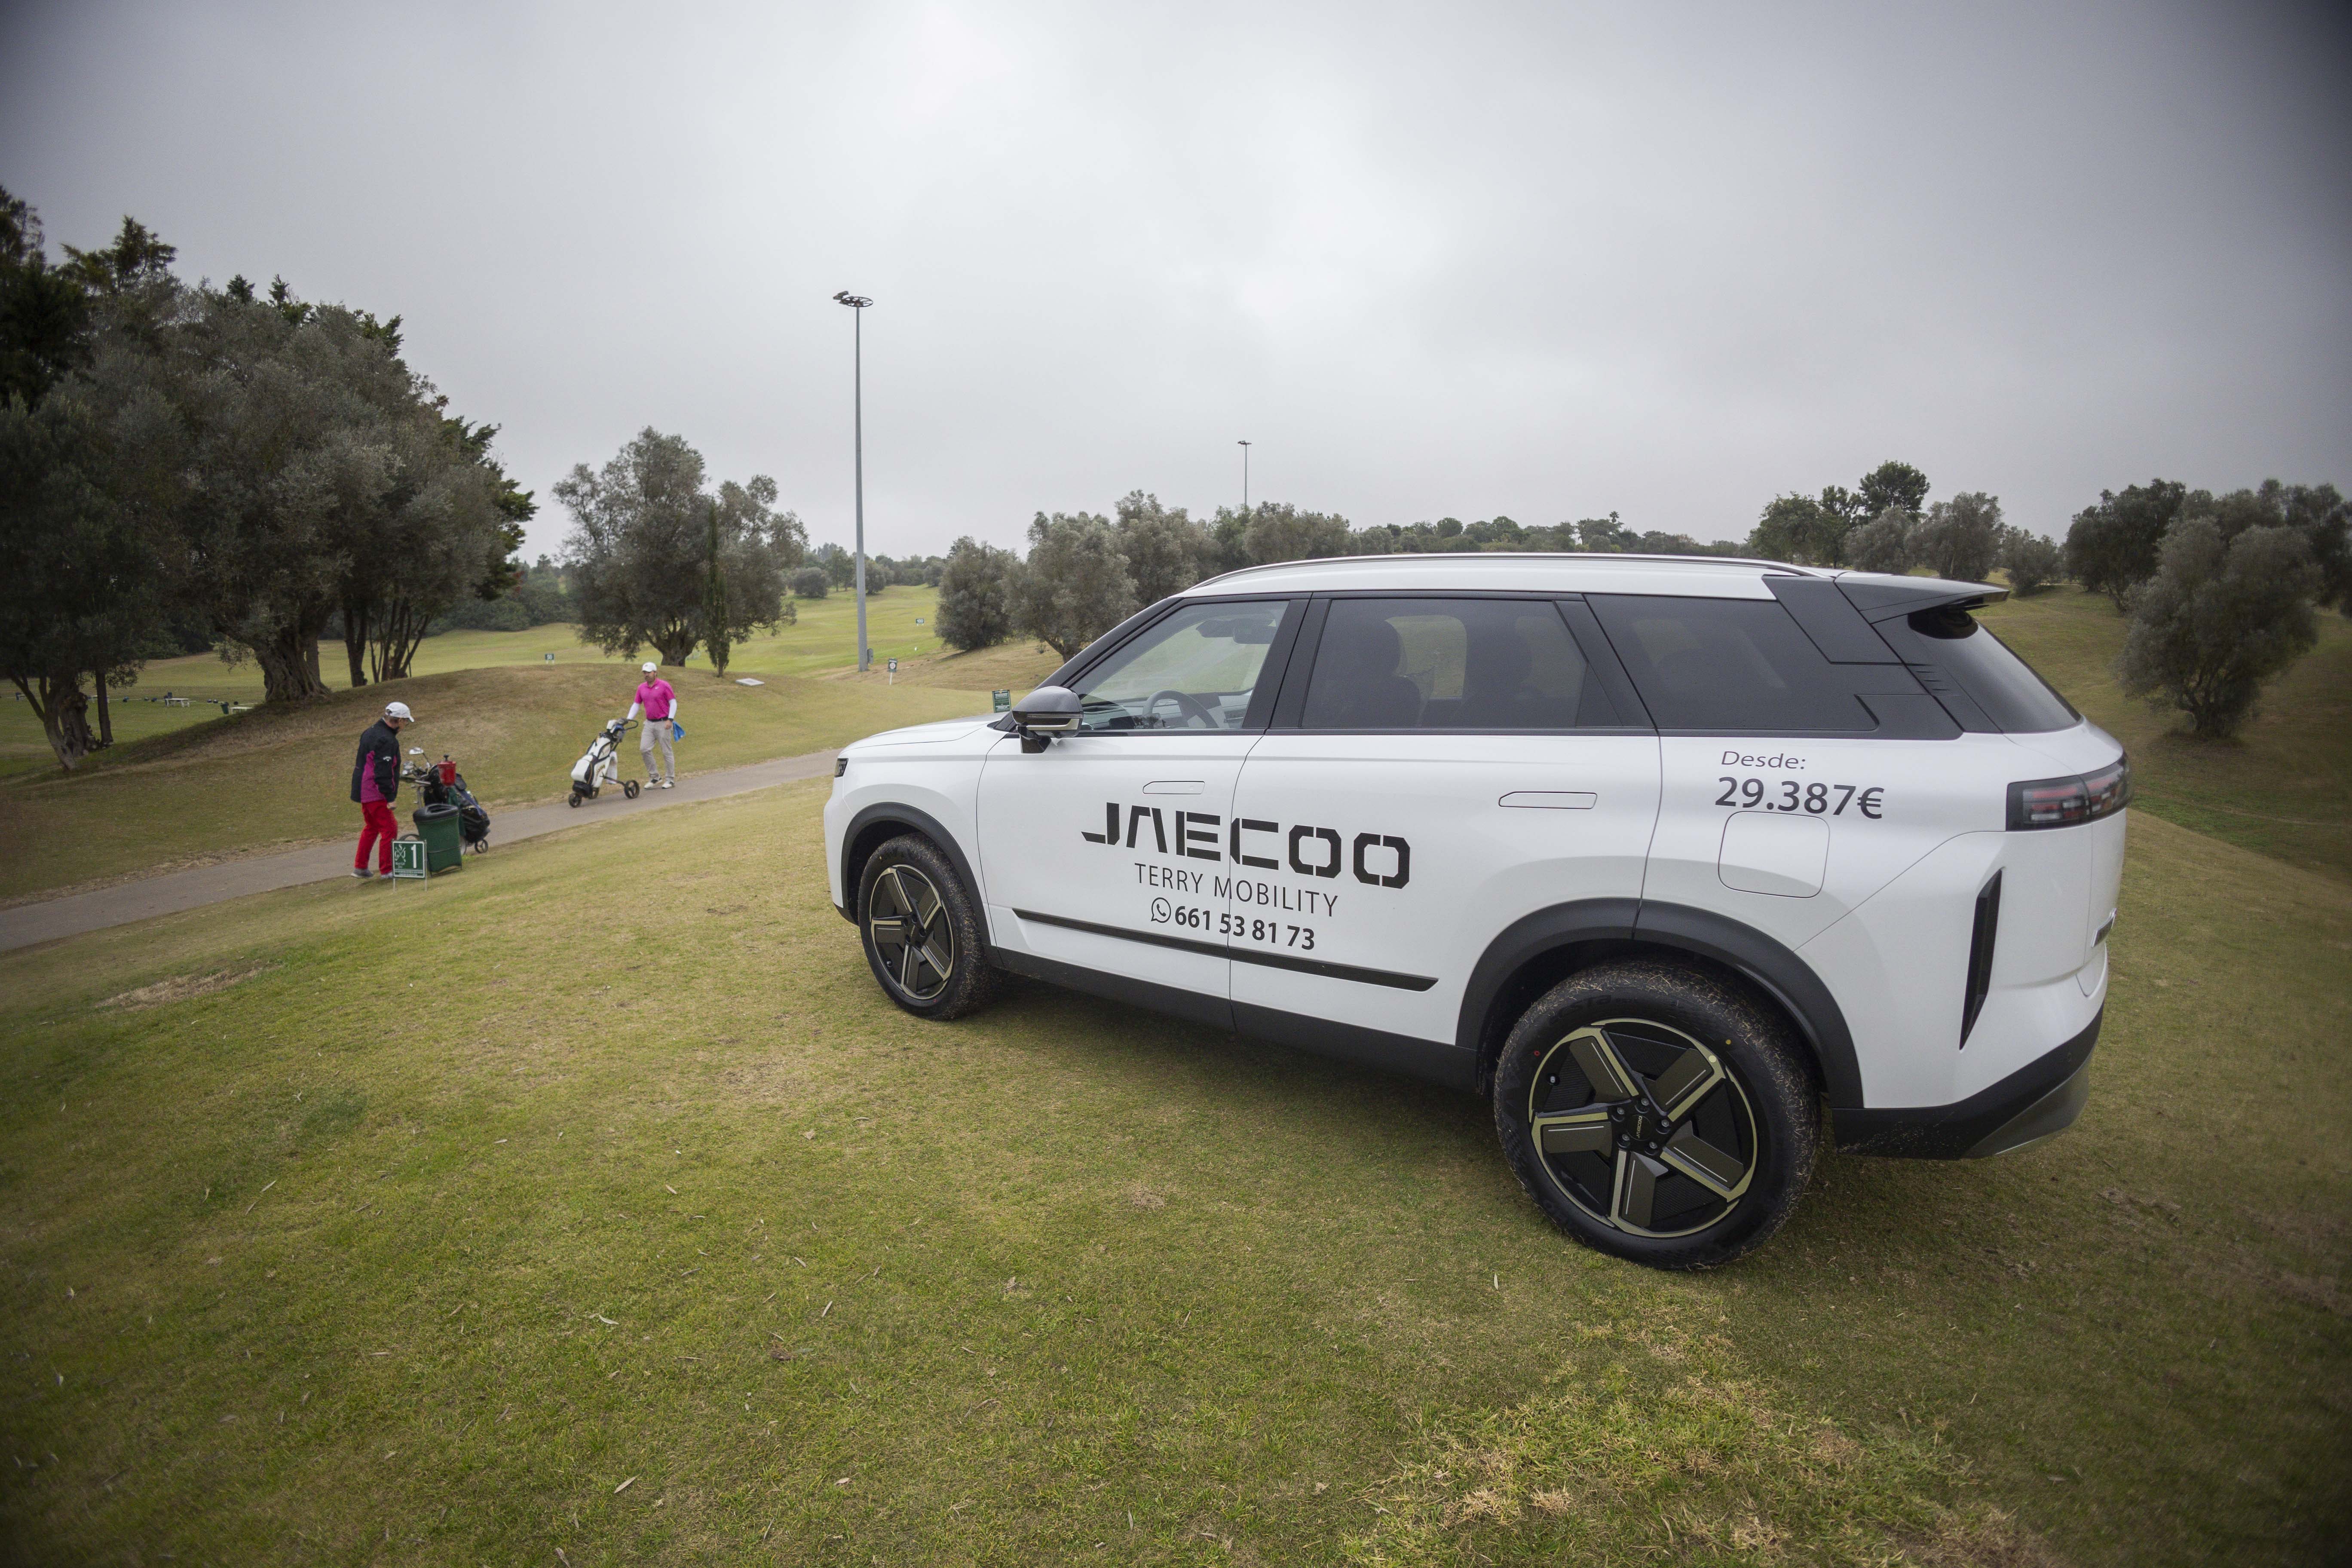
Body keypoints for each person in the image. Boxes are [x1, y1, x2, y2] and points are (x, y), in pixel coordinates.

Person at [351, 700, 413, 879]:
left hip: (363, 790)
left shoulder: (370, 731)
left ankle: (360, 867)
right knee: (390, 828)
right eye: (406, 721)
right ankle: (387, 871)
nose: (406, 725)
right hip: (375, 791)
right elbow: (383, 771)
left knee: (372, 827)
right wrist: (389, 797)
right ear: (399, 721)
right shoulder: (387, 739)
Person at [627, 661, 680, 788]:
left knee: (666, 751)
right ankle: (655, 777)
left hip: (664, 723)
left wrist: (670, 719)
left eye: (648, 672)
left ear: (655, 673)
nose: (646, 675)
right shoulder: (641, 688)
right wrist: (628, 719)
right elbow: (636, 704)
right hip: (649, 723)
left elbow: (673, 703)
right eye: (644, 673)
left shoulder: (664, 686)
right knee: (644, 749)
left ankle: (670, 779)